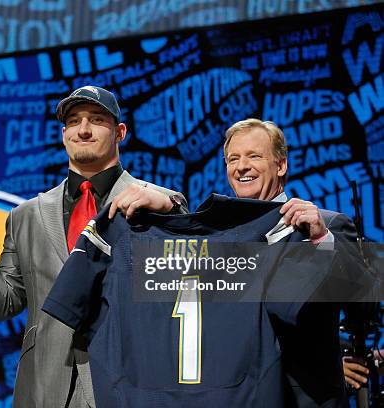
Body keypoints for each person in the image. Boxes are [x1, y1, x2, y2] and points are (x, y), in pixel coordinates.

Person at [0, 85, 187, 408]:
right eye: (74, 121)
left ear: (120, 132)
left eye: (96, 119)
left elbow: (191, 274)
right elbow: (2, 302)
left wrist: (171, 208)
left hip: (131, 383)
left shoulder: (156, 201)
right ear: (64, 135)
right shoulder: (27, 216)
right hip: (47, 387)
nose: (84, 130)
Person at [112, 118, 361, 406]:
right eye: (233, 159)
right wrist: (170, 207)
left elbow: (357, 294)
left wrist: (320, 240)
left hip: (304, 398)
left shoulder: (330, 224)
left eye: (254, 156)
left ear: (281, 165)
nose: (241, 166)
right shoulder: (222, 240)